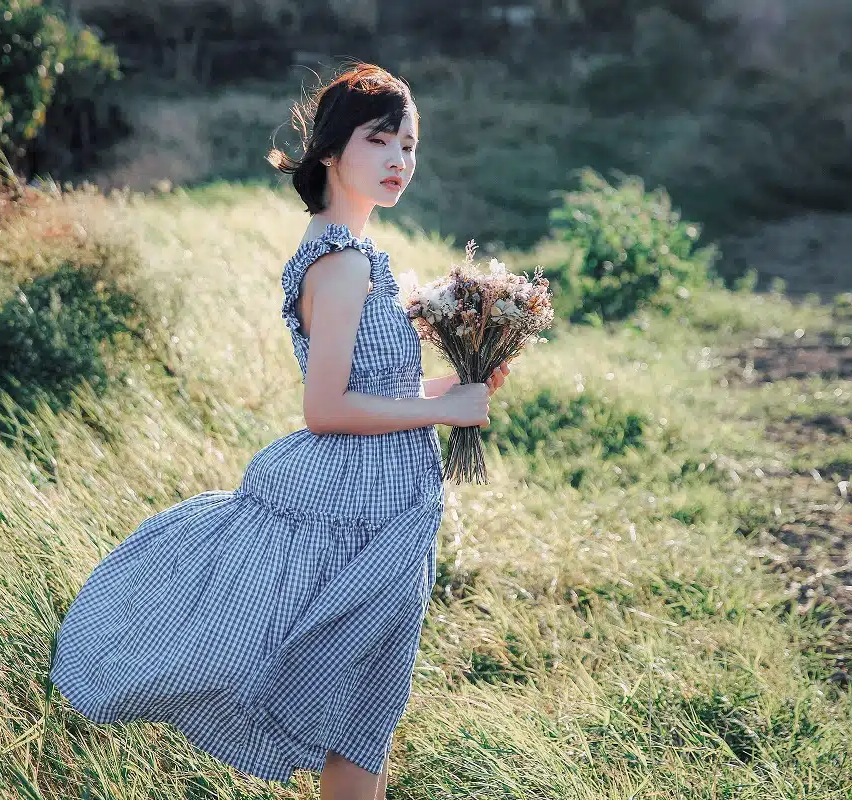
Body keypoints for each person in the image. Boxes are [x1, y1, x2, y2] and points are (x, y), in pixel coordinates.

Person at [48, 62, 511, 799]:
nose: (400, 160)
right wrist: (441, 411)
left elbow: (376, 391)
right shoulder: (340, 264)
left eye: (411, 145)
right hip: (355, 511)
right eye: (381, 140)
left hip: (388, 506)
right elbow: (324, 408)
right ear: (331, 150)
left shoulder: (362, 260)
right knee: (361, 712)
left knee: (365, 711)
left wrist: (454, 390)